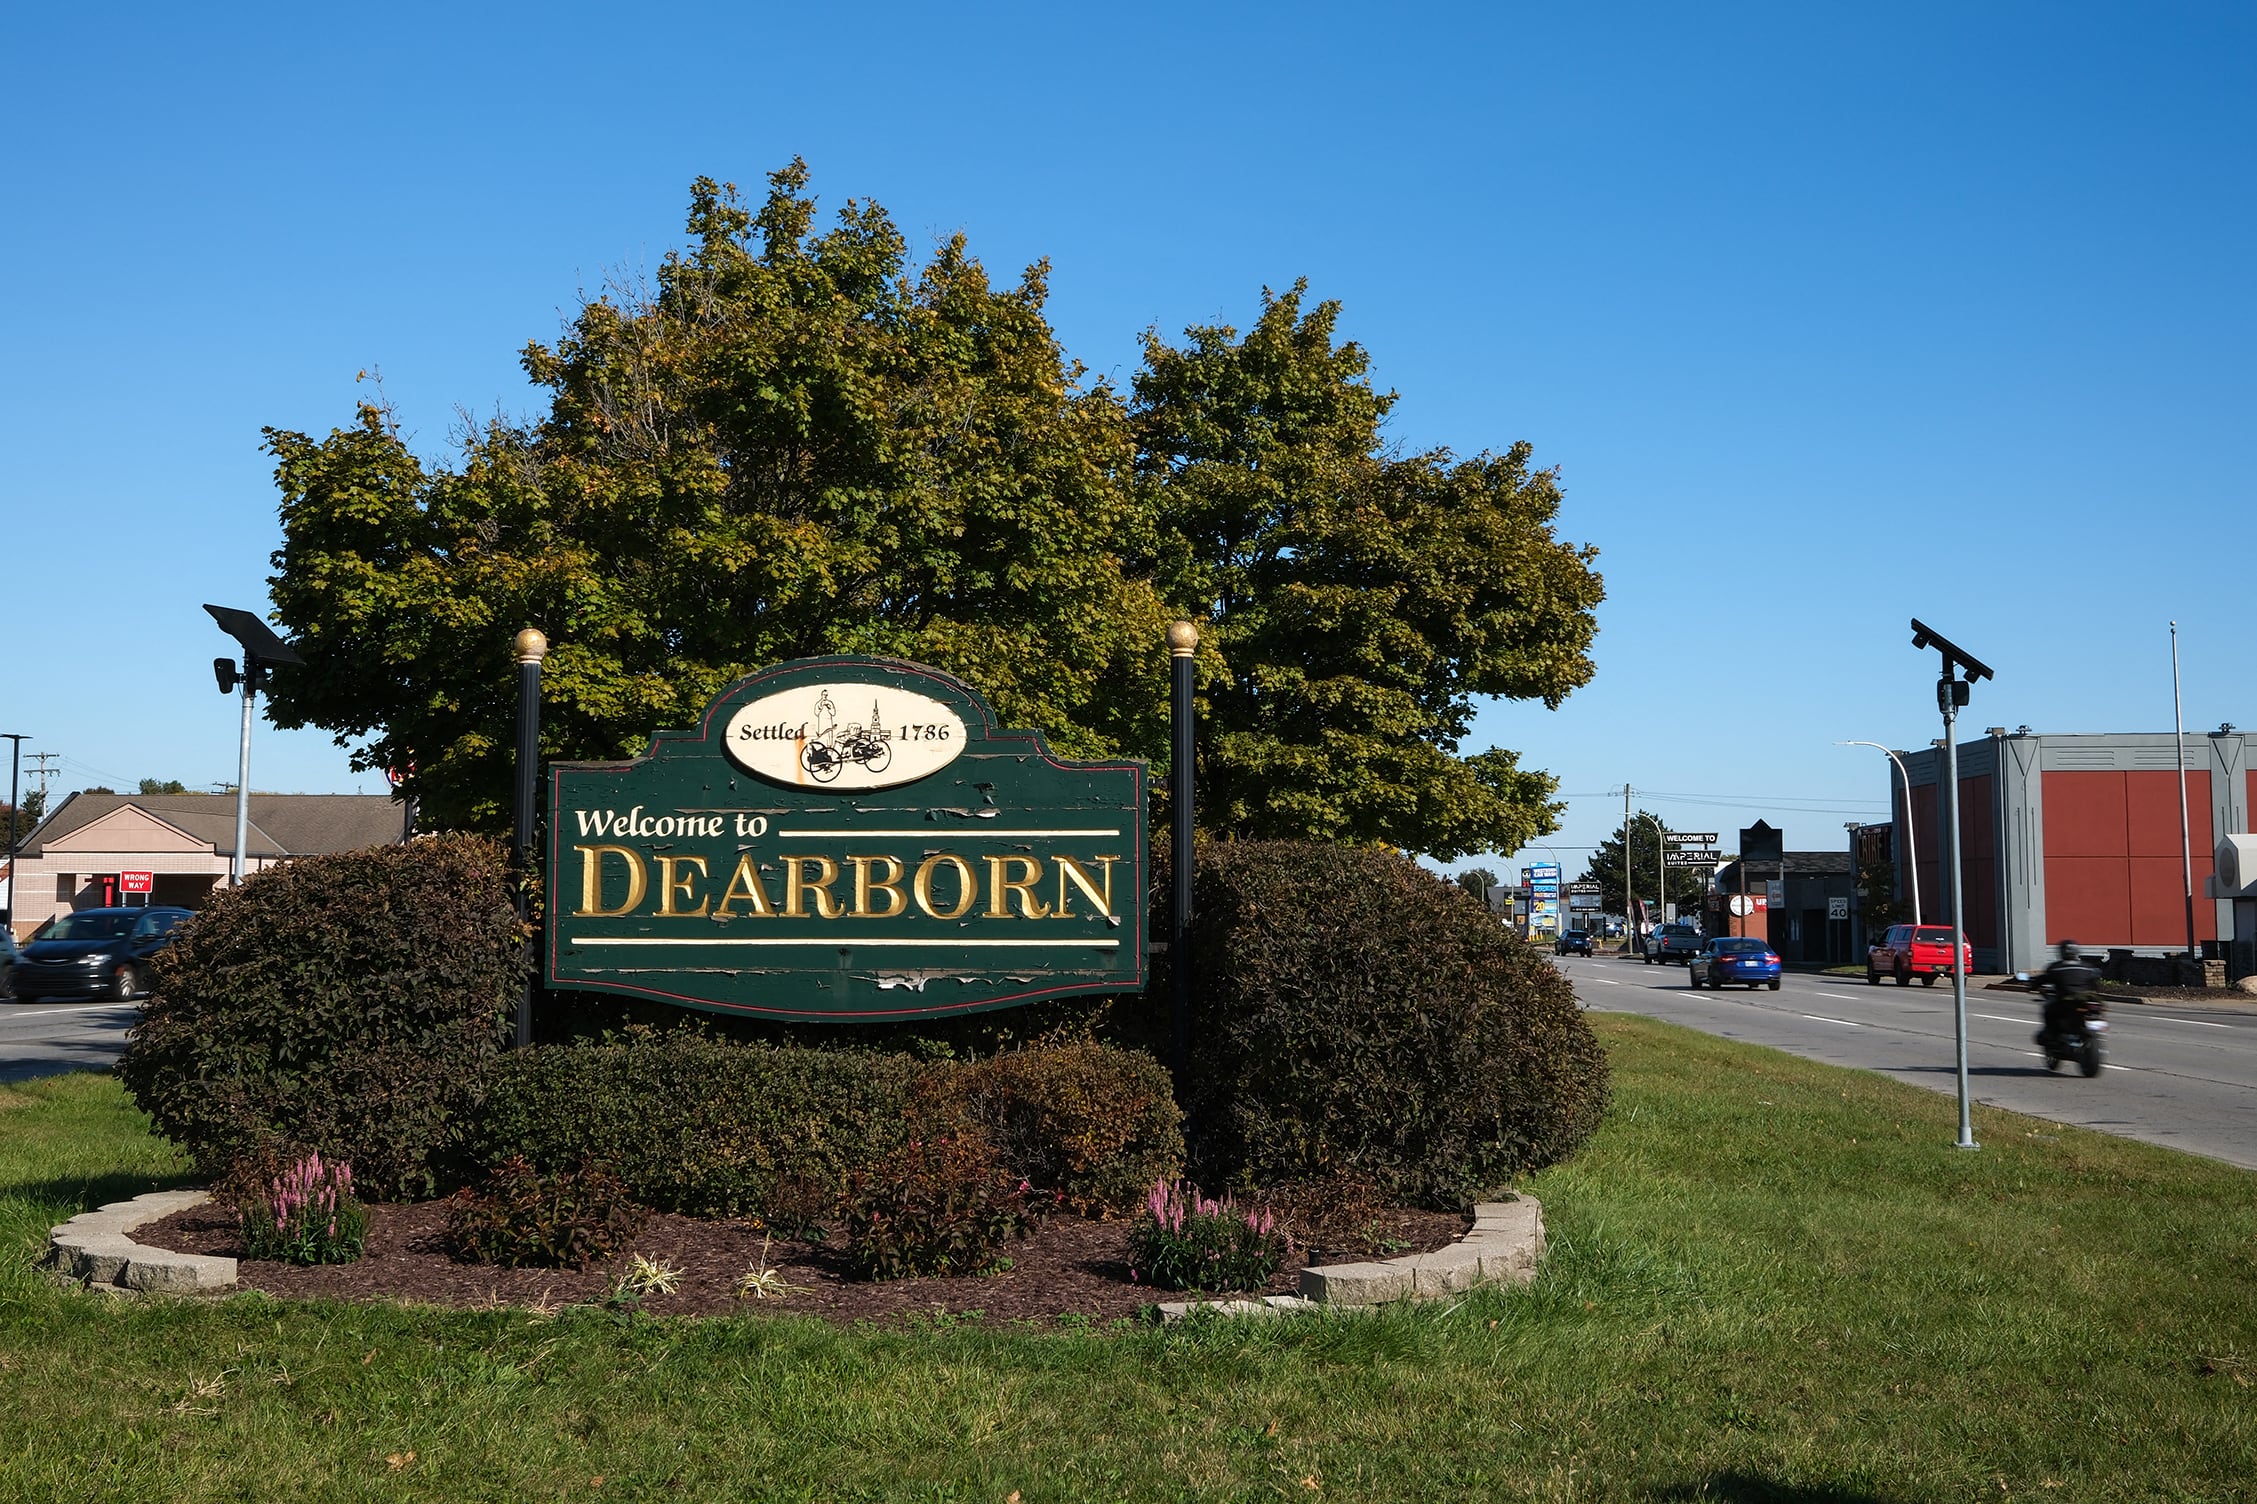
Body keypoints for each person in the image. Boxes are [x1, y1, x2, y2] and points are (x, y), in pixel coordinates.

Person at [2036, 939, 2101, 1043]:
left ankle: (2052, 1035)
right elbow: (2095, 983)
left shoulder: (2056, 967)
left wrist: (2032, 985)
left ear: (2062, 952)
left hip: (2065, 999)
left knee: (2048, 1010)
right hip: (2087, 999)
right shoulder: (2087, 967)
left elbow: (2042, 980)